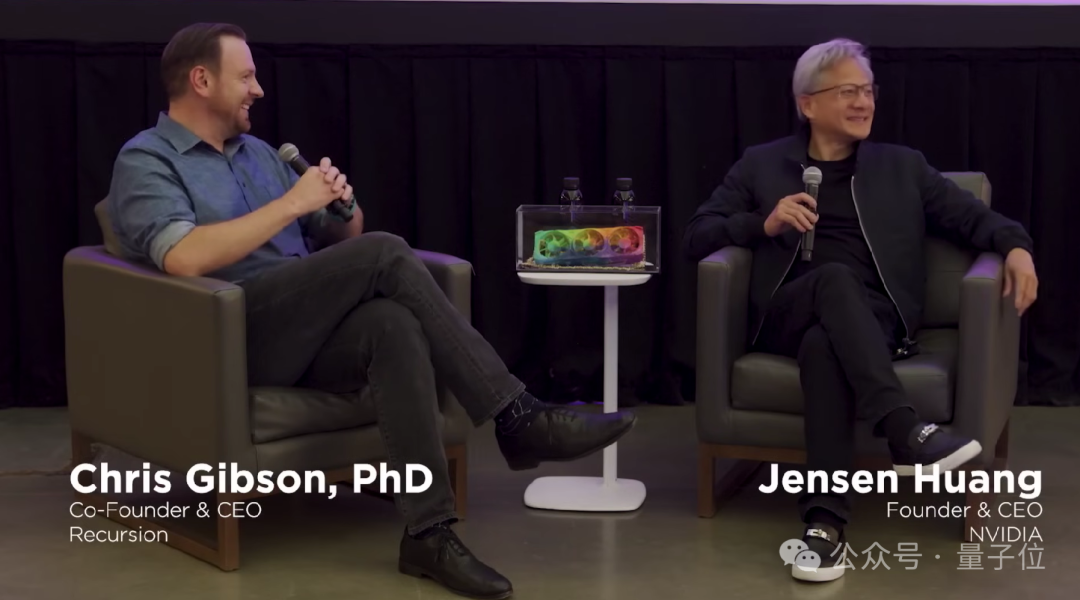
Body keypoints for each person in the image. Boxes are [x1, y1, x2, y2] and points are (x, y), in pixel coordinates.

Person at [107, 23, 637, 599]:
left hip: (304, 330)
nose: (258, 90)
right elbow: (183, 257)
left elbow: (341, 237)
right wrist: (293, 203)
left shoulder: (258, 154)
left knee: (393, 325)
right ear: (201, 80)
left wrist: (341, 206)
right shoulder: (146, 158)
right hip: (231, 335)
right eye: (246, 77)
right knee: (385, 251)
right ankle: (517, 417)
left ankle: (428, 533)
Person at [683, 38, 1038, 583]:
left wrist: (1017, 247)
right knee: (832, 279)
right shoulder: (763, 164)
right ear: (808, 103)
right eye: (849, 91)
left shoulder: (902, 167)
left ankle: (825, 526)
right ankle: (904, 428)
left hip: (874, 323)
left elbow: (974, 218)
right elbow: (697, 235)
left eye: (869, 91)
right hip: (785, 314)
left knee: (825, 345)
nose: (864, 102)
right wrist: (763, 223)